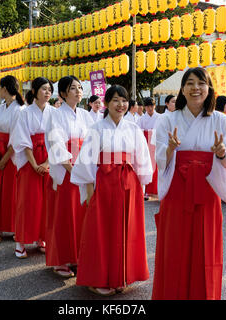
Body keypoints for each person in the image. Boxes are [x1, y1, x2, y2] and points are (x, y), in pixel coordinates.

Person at [152, 67, 226, 300]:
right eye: (190, 83)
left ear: (209, 88)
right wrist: (170, 148)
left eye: (201, 83)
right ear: (182, 88)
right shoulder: (168, 119)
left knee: (206, 248)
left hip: (206, 187)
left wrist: (222, 153)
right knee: (175, 247)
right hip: (177, 188)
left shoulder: (221, 121)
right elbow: (159, 156)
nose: (195, 88)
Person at [71, 85, 153, 296]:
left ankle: (121, 275)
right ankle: (97, 278)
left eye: (124, 100)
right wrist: (89, 191)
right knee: (101, 231)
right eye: (115, 100)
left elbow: (142, 159)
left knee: (125, 231)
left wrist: (141, 185)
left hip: (128, 184)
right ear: (107, 103)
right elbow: (86, 162)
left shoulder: (133, 128)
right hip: (104, 183)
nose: (121, 104)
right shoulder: (97, 128)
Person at [44, 75, 94, 277]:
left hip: (83, 167)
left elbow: (92, 141)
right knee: (65, 215)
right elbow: (57, 145)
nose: (78, 91)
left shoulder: (85, 115)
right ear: (63, 93)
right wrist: (75, 172)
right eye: (73, 88)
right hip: (67, 171)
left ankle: (79, 256)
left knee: (82, 215)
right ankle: (62, 259)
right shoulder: (55, 115)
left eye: (80, 87)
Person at [10, 77, 54, 258]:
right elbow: (22, 140)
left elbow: (57, 138)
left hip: (50, 158)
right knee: (27, 202)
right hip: (30, 160)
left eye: (49, 89)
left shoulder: (54, 112)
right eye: (43, 89)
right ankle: (20, 242)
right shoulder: (25, 113)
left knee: (47, 202)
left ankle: (42, 237)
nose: (47, 92)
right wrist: (34, 163)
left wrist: (48, 162)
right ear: (34, 91)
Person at [0, 75, 24, 244]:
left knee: (11, 192)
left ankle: (15, 227)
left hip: (12, 155)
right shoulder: (1, 108)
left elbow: (17, 138)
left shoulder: (19, 109)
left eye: (0, 88)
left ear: (5, 89)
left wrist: (4, 159)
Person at [138, 97, 161, 199]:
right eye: (147, 106)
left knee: (157, 167)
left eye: (151, 106)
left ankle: (156, 189)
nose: (150, 108)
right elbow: (138, 132)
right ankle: (147, 190)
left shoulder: (160, 117)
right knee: (146, 166)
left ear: (154, 106)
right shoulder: (142, 119)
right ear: (144, 107)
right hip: (146, 145)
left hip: (157, 145)